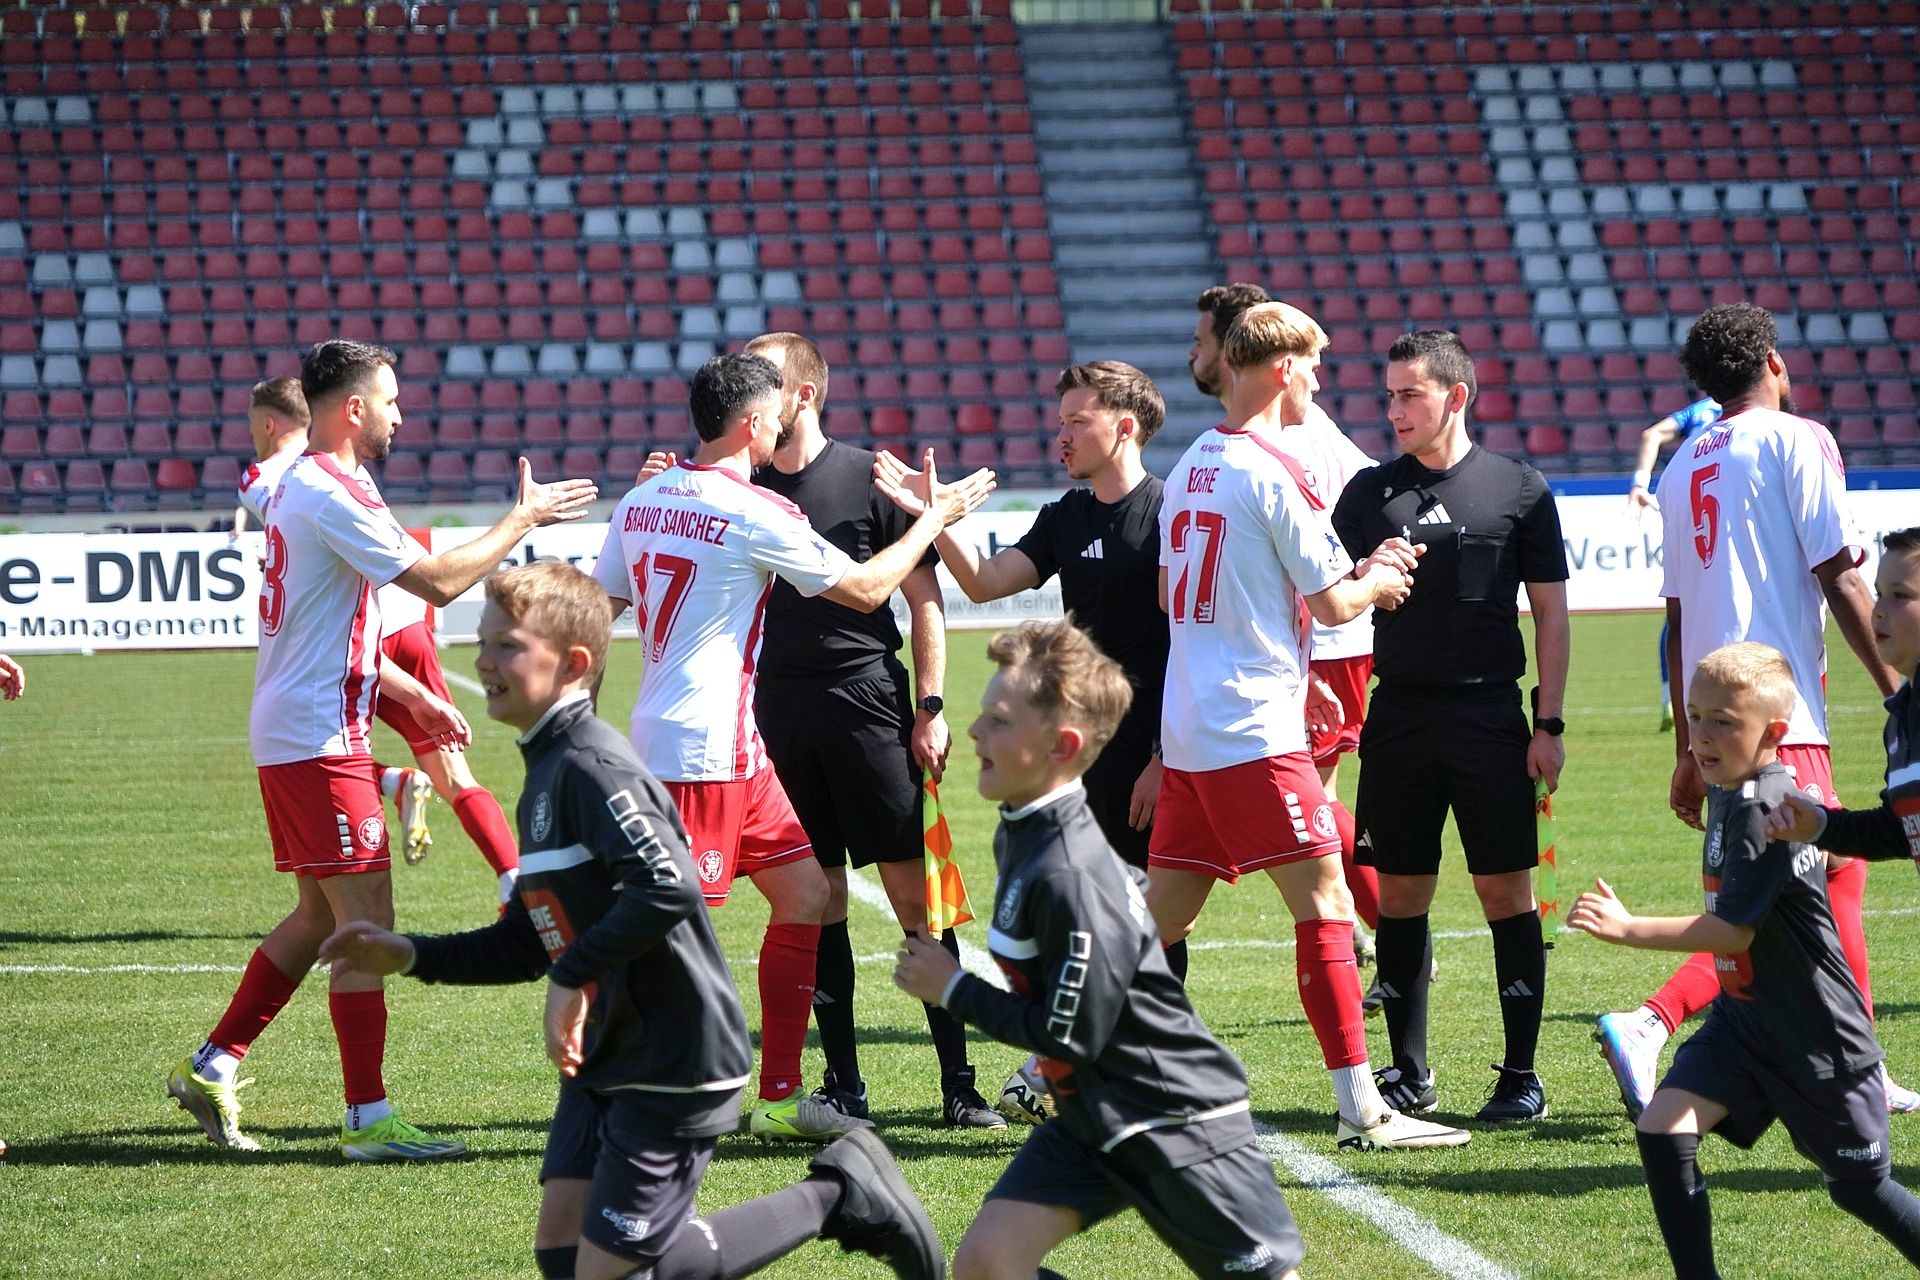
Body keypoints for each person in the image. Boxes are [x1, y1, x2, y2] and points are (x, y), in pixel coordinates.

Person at [319, 562, 944, 1280]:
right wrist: (407, 954)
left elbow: (668, 887)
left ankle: (835, 1195)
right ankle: (839, 1192)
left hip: (673, 1058)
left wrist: (574, 978)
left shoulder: (593, 767)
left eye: (506, 646)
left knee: (611, 1273)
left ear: (572, 664)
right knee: (562, 1251)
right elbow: (528, 939)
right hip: (609, 1054)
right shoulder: (547, 770)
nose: (483, 661)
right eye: (483, 642)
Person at [167, 339, 597, 1159]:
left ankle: (213, 1063)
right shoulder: (329, 490)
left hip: (306, 724)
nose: (401, 415)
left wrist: (410, 692)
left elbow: (333, 622)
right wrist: (523, 520)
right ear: (354, 408)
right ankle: (368, 1119)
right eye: (391, 401)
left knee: (317, 917)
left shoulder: (314, 481)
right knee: (368, 924)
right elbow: (435, 582)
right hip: (316, 735)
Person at [590, 352, 992, 1143]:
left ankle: (780, 1095)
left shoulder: (642, 499)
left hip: (742, 746)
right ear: (750, 423)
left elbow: (598, 614)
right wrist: (934, 520)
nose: (780, 424)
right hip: (700, 753)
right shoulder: (756, 508)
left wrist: (590, 722)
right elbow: (869, 590)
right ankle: (631, 1096)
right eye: (770, 414)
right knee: (670, 934)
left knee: (807, 895)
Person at [894, 618, 1309, 1279]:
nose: (973, 731)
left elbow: (1071, 1034)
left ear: (1060, 746)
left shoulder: (1067, 871)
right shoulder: (1023, 830)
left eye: (999, 721)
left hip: (1172, 1117)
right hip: (1092, 1112)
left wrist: (952, 988)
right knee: (988, 1265)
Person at [1152, 302, 1467, 1151]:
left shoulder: (1191, 463)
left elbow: (1177, 594)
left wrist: (1293, 643)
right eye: (1315, 367)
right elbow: (1335, 604)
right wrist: (1380, 579)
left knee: (1157, 923)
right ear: (1284, 368)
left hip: (1192, 726)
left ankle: (1049, 1067)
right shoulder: (1272, 470)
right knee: (1327, 903)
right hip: (1250, 732)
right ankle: (1364, 1109)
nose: (1320, 383)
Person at [1594, 303, 1911, 1120]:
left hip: (1715, 712)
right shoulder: (1796, 438)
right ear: (1772, 361)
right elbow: (1842, 575)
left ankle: (1860, 1066)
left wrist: (1687, 743)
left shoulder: (1680, 467)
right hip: (1774, 708)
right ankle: (1653, 1020)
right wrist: (1899, 691)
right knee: (1798, 886)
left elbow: (1674, 621)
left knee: (1823, 880)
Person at [1570, 642, 1920, 1278]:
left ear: (1774, 734)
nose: (1702, 736)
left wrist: (1628, 928)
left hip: (1817, 1037)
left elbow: (1732, 933)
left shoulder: (1761, 805)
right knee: (1662, 1127)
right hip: (1744, 1024)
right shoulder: (1731, 789)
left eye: (1723, 722)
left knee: (1862, 1189)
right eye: (1694, 716)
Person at [739, 331, 999, 1130]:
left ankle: (960, 1086)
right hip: (780, 714)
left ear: (804, 394)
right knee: (815, 901)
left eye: (764, 380)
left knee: (916, 899)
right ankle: (844, 1086)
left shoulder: (867, 478)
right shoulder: (740, 487)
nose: (751, 394)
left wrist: (931, 706)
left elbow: (925, 601)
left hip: (870, 707)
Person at [1330, 329, 1570, 1124]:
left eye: (1411, 395)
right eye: (1390, 396)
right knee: (1400, 893)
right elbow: (1326, 594)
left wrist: (1549, 722)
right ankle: (1409, 1074)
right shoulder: (1368, 494)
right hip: (1397, 716)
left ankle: (1521, 1078)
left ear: (1455, 396)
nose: (1395, 410)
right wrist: (1364, 574)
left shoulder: (1519, 488)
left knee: (1506, 890)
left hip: (1490, 717)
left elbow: (1551, 614)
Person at [233, 376, 522, 904]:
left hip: (346, 637)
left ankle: (390, 785)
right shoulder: (350, 470)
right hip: (402, 624)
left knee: (313, 752)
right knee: (453, 774)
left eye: (252, 426)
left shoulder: (269, 477)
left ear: (268, 424)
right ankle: (512, 880)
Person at [1190, 282, 1383, 962]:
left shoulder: (1295, 438)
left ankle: (1387, 934)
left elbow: (1373, 501)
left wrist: (1368, 576)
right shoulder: (1229, 446)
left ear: (1233, 349)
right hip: (1284, 646)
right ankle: (1366, 932)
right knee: (1309, 808)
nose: (1193, 353)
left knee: (1315, 805)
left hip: (1318, 643)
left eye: (1201, 340)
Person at [1766, 527, 1920, 861]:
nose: (1878, 609)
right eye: (1878, 593)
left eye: (1900, 595)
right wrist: (1819, 825)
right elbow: (1899, 831)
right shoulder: (1902, 716)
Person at [1623, 394, 1724, 731]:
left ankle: (1672, 699)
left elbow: (1651, 434)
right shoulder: (1755, 410)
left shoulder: (1702, 411)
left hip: (1689, 518)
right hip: (1730, 520)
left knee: (1680, 610)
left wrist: (1639, 483)